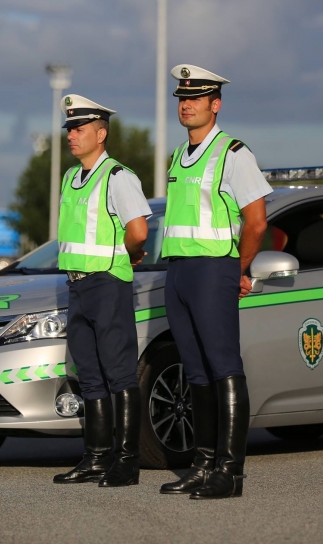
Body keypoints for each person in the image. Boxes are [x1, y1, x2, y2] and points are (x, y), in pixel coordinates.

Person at [159, 65, 271, 499]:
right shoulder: (177, 155)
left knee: (224, 368)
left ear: (215, 104)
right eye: (182, 98)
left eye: (196, 97)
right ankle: (202, 465)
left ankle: (230, 471)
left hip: (213, 271)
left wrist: (236, 269)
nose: (186, 104)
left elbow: (257, 222)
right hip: (179, 274)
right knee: (196, 372)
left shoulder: (233, 153)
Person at [52, 94, 152, 488]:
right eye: (69, 129)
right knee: (90, 375)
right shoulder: (70, 178)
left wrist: (121, 258)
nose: (71, 136)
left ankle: (127, 461)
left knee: (119, 374)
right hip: (76, 285)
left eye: (79, 129)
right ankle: (95, 458)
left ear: (101, 132)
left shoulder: (117, 177)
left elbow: (139, 230)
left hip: (107, 284)